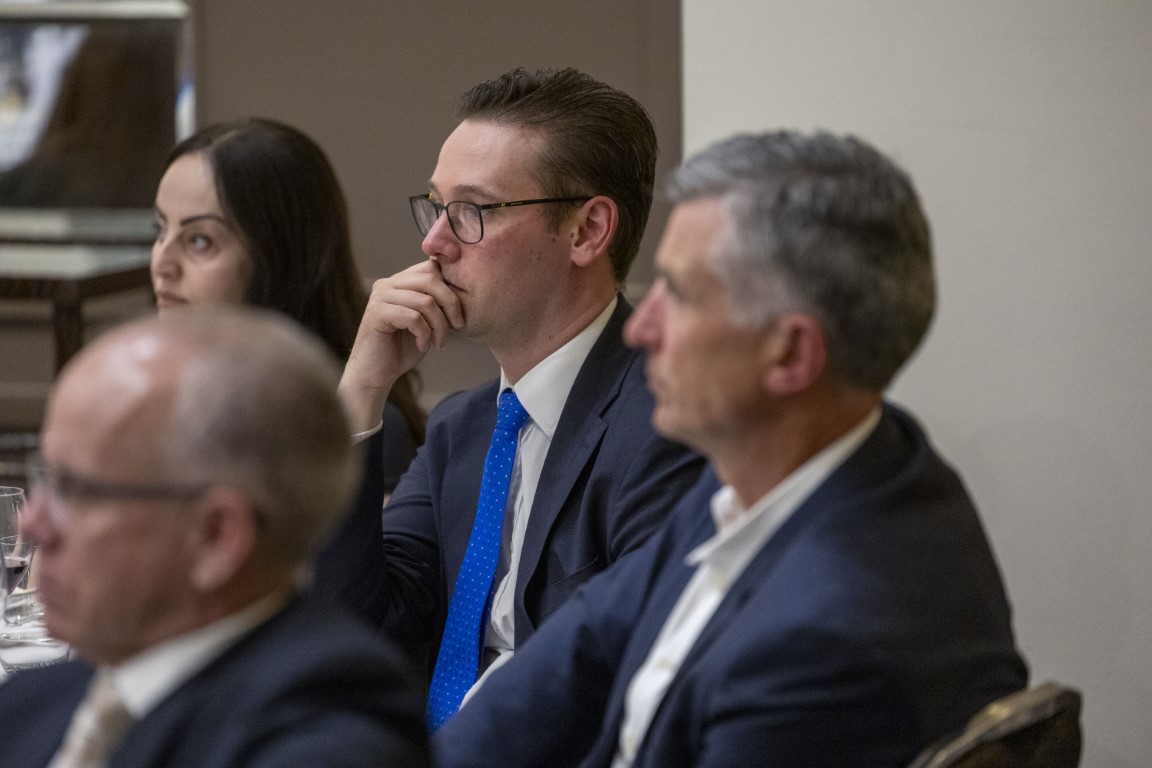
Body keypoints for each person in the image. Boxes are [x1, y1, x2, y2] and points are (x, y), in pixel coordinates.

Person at [435, 130, 1029, 767]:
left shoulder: (826, 642)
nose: (641, 327)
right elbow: (585, 648)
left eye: (679, 294)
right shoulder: (804, 467)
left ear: (791, 354)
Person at [338, 67, 706, 725]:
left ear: (587, 231)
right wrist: (361, 390)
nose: (433, 242)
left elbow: (621, 685)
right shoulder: (461, 428)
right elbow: (355, 631)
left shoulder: (669, 422)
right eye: (436, 206)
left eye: (472, 211)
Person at [0, 308, 428, 767]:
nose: (31, 526)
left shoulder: (327, 740)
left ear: (216, 536)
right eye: (45, 479)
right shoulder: (35, 701)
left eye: (76, 491)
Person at [150, 117, 426, 626]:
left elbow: (344, 625)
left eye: (199, 241)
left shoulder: (365, 426)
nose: (161, 263)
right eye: (160, 230)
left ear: (278, 259)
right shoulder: (157, 395)